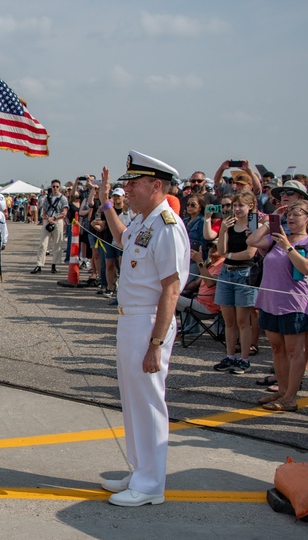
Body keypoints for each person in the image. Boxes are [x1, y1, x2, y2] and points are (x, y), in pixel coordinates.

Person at [97, 152, 189, 507]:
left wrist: (156, 342)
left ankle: (152, 484)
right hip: (130, 318)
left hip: (150, 320)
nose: (127, 190)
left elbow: (171, 287)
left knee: (150, 401)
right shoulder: (143, 221)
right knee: (133, 400)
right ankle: (139, 471)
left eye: (132, 184)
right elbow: (122, 239)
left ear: (156, 185)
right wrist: (107, 202)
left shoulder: (167, 225)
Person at [248, 201, 308, 412]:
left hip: (293, 302)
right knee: (277, 348)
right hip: (269, 300)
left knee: (294, 350)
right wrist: (272, 219)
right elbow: (251, 240)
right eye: (289, 214)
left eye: (296, 215)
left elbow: (307, 268)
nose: (291, 218)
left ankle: (290, 397)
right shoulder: (277, 235)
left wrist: (288, 248)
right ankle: (282, 390)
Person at [213, 191, 259, 374]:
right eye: (235, 206)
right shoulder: (229, 224)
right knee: (229, 320)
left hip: (244, 273)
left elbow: (250, 253)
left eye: (241, 205)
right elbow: (221, 250)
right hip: (226, 273)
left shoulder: (254, 224)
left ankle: (244, 359)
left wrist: (229, 255)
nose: (237, 209)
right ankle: (230, 355)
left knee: (242, 321)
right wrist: (223, 230)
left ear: (250, 207)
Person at [31, 180, 67, 274]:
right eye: (53, 186)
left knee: (57, 244)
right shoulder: (47, 199)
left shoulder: (63, 198)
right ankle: (39, 264)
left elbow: (64, 212)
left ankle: (54, 264)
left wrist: (54, 218)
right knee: (43, 244)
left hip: (58, 221)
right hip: (48, 220)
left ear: (59, 187)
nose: (55, 188)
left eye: (57, 186)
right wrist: (48, 218)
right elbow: (44, 211)